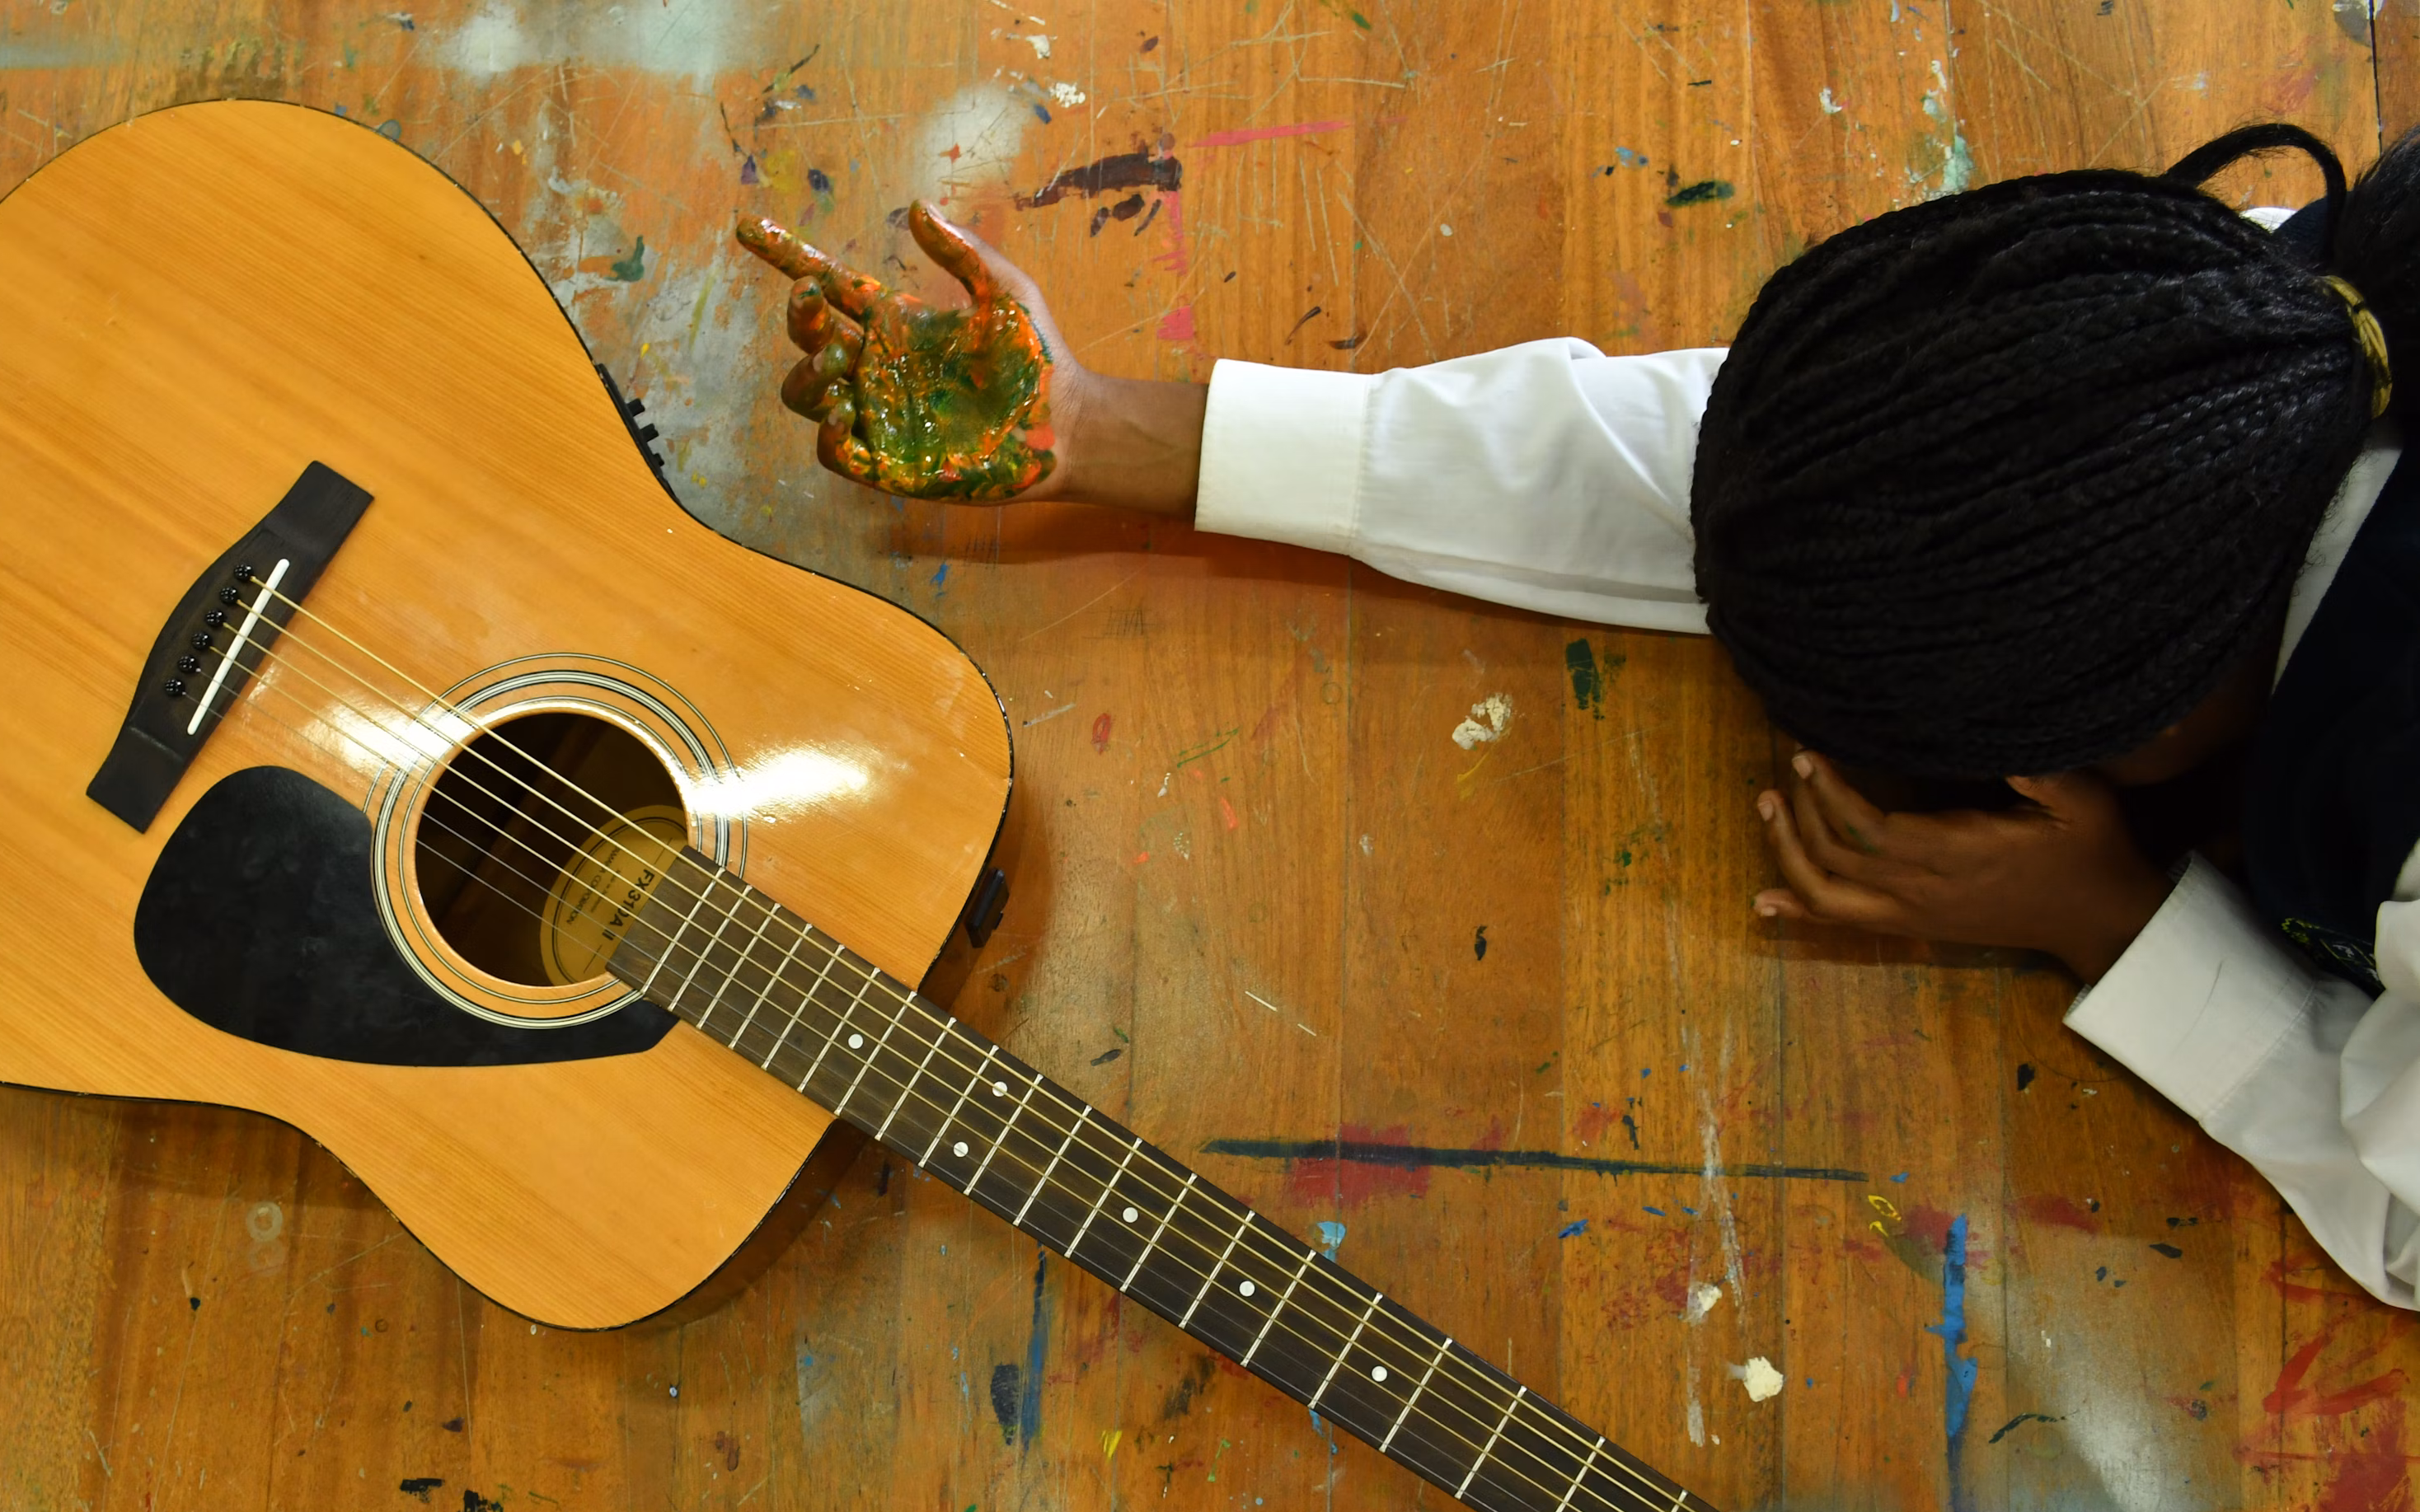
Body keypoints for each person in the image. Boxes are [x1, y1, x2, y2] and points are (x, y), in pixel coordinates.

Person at [734, 122, 2420, 1310]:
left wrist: (2109, 916)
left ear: (2129, 738)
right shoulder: (2286, 323)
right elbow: (1801, 473)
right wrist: (1118, 432)